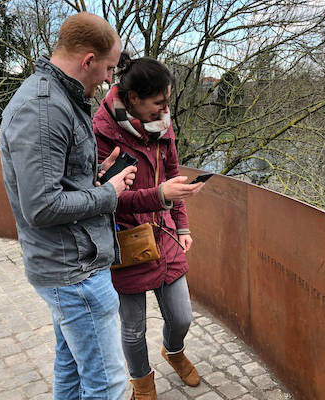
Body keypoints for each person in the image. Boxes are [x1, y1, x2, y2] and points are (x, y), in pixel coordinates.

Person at [0, 12, 136, 400]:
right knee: (108, 385)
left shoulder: (59, 99)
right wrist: (108, 194)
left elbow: (56, 183)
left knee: (72, 370)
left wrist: (93, 177)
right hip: (74, 273)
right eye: (108, 68)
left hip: (73, 264)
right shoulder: (43, 109)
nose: (110, 79)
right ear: (88, 60)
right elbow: (40, 207)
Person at [93, 53, 204, 399]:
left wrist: (182, 226)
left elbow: (173, 178)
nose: (164, 110)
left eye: (167, 101)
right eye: (158, 103)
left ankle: (173, 352)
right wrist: (159, 195)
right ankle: (142, 384)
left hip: (165, 232)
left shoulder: (163, 125)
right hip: (126, 240)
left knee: (182, 317)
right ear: (134, 99)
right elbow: (108, 199)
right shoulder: (102, 132)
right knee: (133, 328)